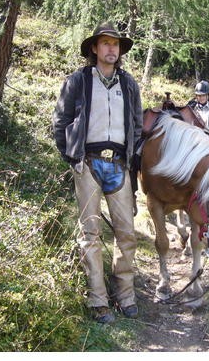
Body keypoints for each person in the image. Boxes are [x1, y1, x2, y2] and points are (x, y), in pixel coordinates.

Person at [52, 22, 143, 324]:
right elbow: (61, 121)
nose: (111, 49)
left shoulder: (129, 84)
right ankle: (98, 301)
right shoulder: (78, 80)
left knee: (127, 234)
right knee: (90, 234)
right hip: (88, 163)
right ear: (94, 48)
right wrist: (72, 157)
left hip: (119, 165)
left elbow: (138, 126)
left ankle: (126, 296)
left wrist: (132, 158)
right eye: (105, 44)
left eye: (115, 45)